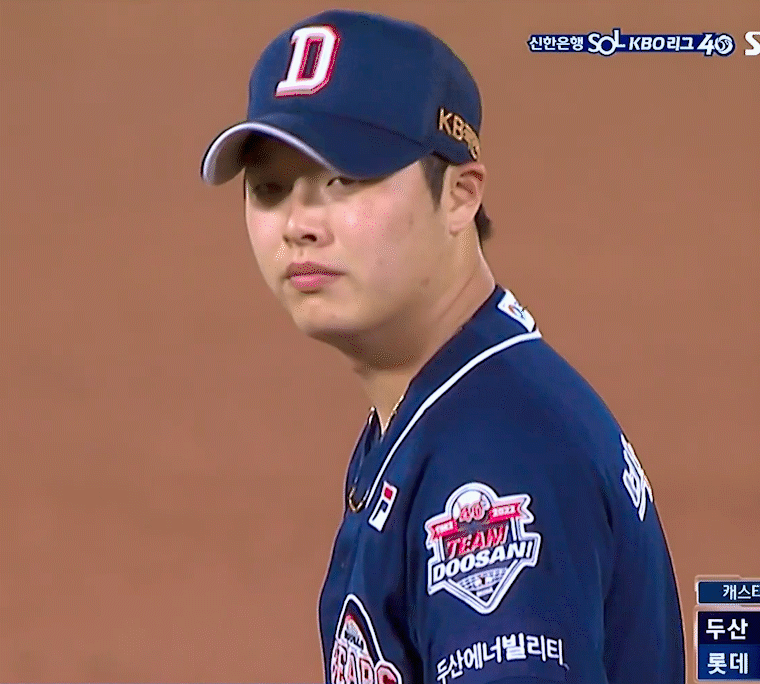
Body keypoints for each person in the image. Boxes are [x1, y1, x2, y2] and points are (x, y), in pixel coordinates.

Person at [200, 9, 685, 684]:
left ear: (460, 195)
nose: (299, 224)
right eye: (270, 188)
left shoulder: (496, 459)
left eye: (345, 180)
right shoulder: (455, 399)